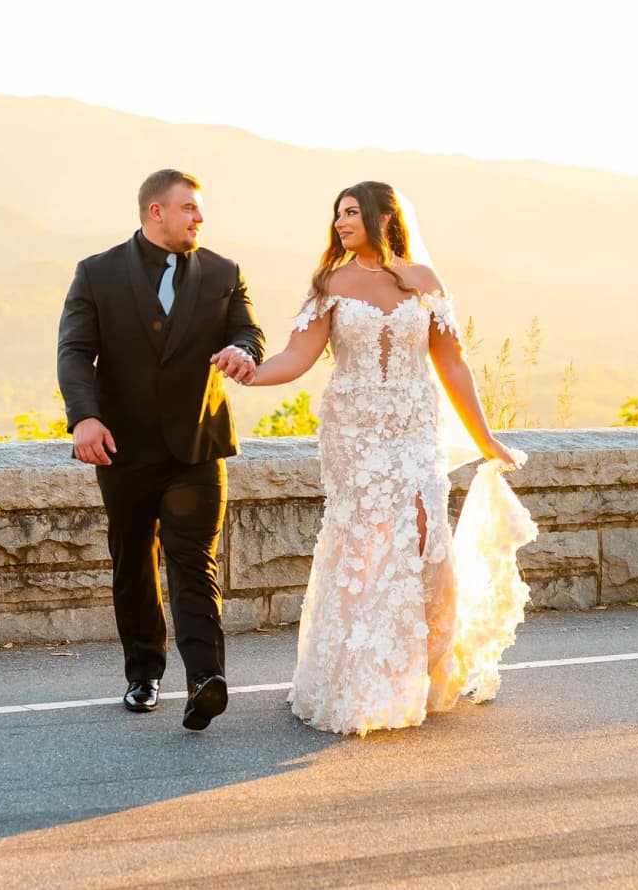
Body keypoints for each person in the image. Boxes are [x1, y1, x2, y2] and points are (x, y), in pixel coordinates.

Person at [219, 180, 537, 736]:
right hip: (355, 433)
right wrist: (251, 373)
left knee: (423, 532)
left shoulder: (423, 280)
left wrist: (484, 438)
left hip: (415, 428)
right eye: (337, 214)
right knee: (366, 539)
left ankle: (414, 667)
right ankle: (361, 676)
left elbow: (452, 364)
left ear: (383, 217)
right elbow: (297, 356)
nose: (341, 222)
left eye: (351, 212)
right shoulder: (330, 282)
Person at [57, 168, 265, 730]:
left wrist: (243, 351)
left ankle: (205, 680)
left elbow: (249, 332)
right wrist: (85, 418)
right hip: (122, 448)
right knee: (134, 562)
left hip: (197, 445)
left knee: (194, 560)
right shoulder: (96, 272)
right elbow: (74, 351)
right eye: (189, 207)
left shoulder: (223, 272)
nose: (200, 217)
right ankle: (143, 674)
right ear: (156, 212)